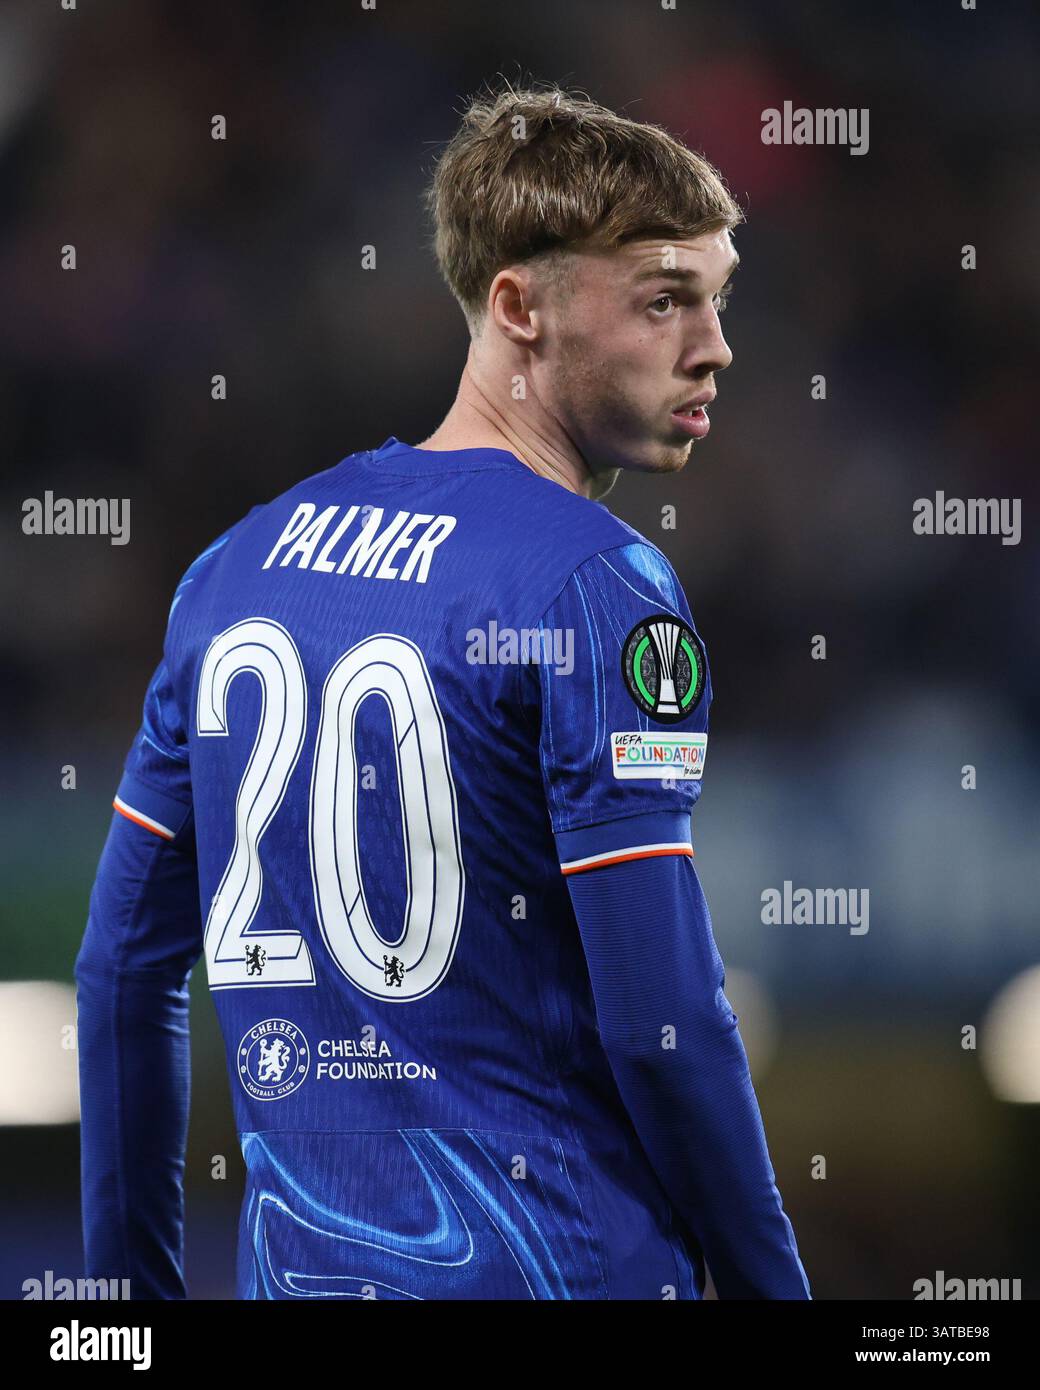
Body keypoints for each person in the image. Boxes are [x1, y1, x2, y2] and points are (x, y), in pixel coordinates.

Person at [76, 82, 811, 1300]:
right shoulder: (595, 586)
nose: (714, 344)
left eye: (716, 300)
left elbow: (120, 973)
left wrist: (124, 1313)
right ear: (518, 305)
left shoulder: (233, 570)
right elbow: (661, 1023)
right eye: (663, 299)